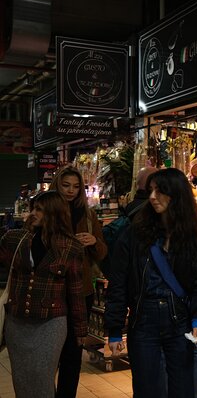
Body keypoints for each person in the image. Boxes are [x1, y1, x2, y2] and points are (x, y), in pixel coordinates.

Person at [105, 168, 197, 398]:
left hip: (179, 320)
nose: (152, 197)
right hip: (143, 320)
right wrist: (115, 328)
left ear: (176, 195)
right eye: (151, 190)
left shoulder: (194, 235)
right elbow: (118, 282)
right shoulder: (135, 233)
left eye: (160, 191)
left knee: (183, 389)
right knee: (148, 389)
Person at [0, 191, 87, 398]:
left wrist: (81, 330)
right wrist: (25, 227)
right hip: (17, 321)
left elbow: (75, 291)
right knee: (21, 378)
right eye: (34, 208)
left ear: (53, 213)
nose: (33, 213)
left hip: (51, 323)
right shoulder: (16, 238)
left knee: (42, 376)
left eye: (39, 209)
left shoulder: (70, 246)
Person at [50, 165, 108, 398]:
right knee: (49, 352)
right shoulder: (46, 212)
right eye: (65, 185)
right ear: (56, 185)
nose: (71, 191)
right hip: (51, 289)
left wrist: (94, 240)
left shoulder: (88, 214)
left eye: (76, 186)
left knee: (73, 353)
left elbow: (102, 253)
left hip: (80, 290)